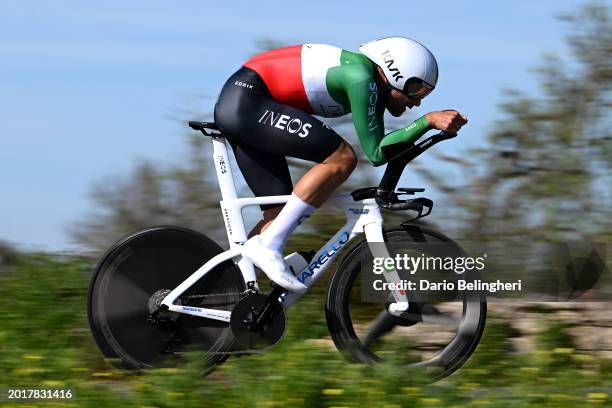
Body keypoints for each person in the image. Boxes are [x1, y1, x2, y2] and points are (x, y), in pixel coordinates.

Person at [214, 36, 467, 293]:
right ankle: (268, 246)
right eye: (415, 91)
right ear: (393, 74)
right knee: (342, 158)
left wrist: (427, 125)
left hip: (246, 102)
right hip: (248, 101)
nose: (417, 102)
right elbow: (377, 152)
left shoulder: (370, 85)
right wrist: (427, 121)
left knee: (280, 215)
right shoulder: (362, 79)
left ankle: (221, 289)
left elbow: (380, 151)